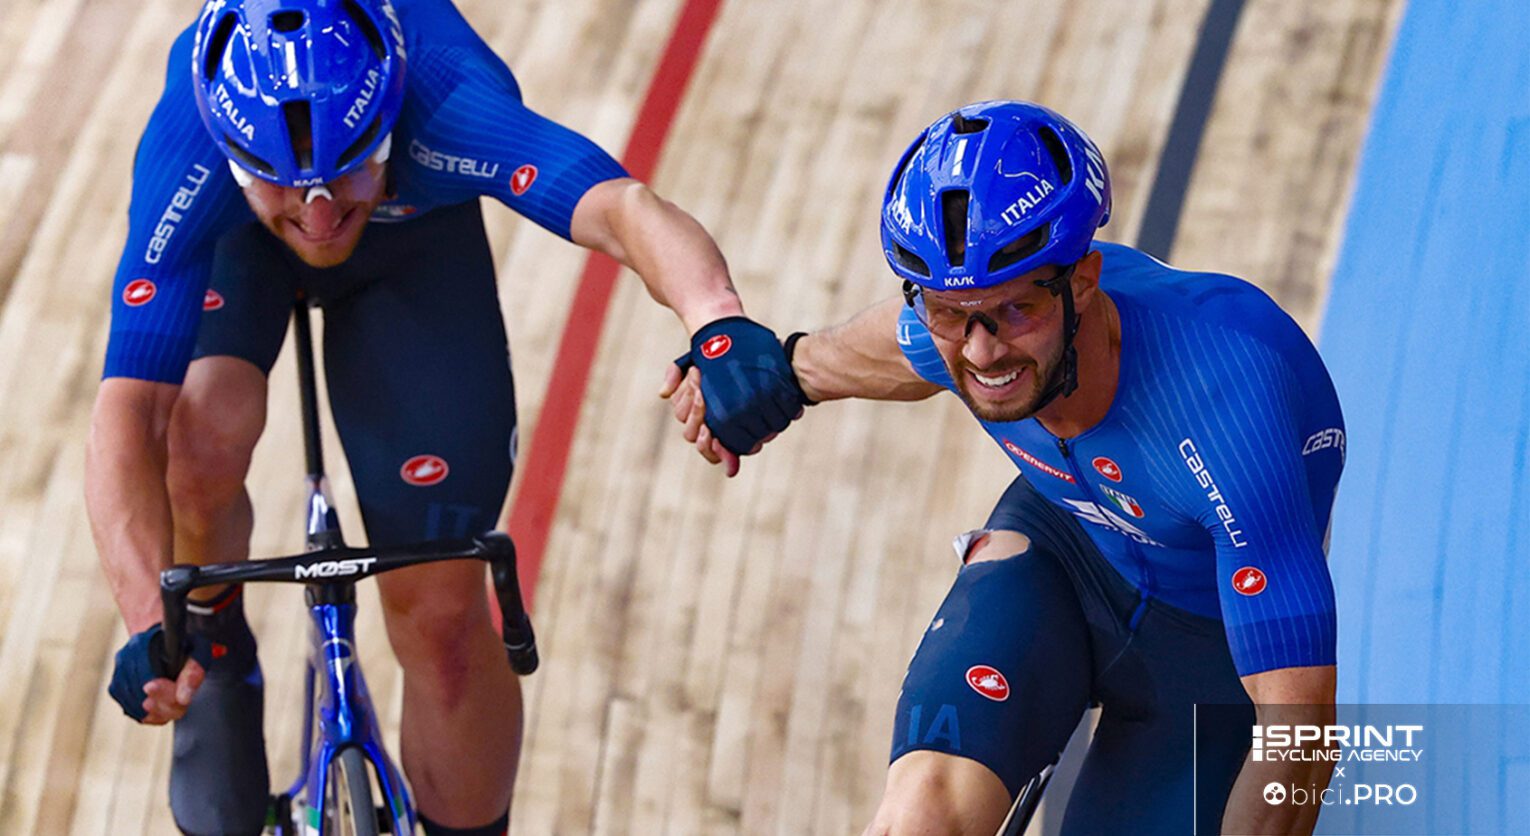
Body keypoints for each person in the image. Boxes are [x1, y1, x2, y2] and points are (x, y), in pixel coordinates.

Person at [87, 1, 803, 833]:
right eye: (287, 183)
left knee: (441, 621)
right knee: (196, 438)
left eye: (348, 168)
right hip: (238, 244)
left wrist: (716, 319)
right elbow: (127, 414)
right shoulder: (190, 143)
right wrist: (150, 620)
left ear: (389, 113)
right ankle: (210, 633)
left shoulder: (445, 93)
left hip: (412, 240)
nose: (318, 215)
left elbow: (620, 206)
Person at [663, 100, 1346, 834]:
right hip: (1062, 554)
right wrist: (773, 374)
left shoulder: (1226, 400)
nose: (982, 351)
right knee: (922, 815)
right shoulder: (963, 327)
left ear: (1082, 280)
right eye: (948, 313)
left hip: (1208, 644)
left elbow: (1301, 734)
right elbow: (870, 355)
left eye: (1016, 311)